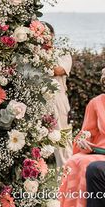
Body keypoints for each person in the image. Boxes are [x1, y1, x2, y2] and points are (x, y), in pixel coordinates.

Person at [59, 69, 105, 207]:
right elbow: (86, 133)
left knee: (89, 166)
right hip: (99, 150)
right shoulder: (96, 103)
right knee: (74, 162)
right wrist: (82, 141)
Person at [44, 21, 73, 167]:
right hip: (38, 100)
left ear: (52, 35)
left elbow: (58, 70)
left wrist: (40, 58)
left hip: (58, 100)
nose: (43, 38)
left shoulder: (63, 54)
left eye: (46, 34)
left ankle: (68, 183)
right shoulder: (30, 56)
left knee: (63, 142)